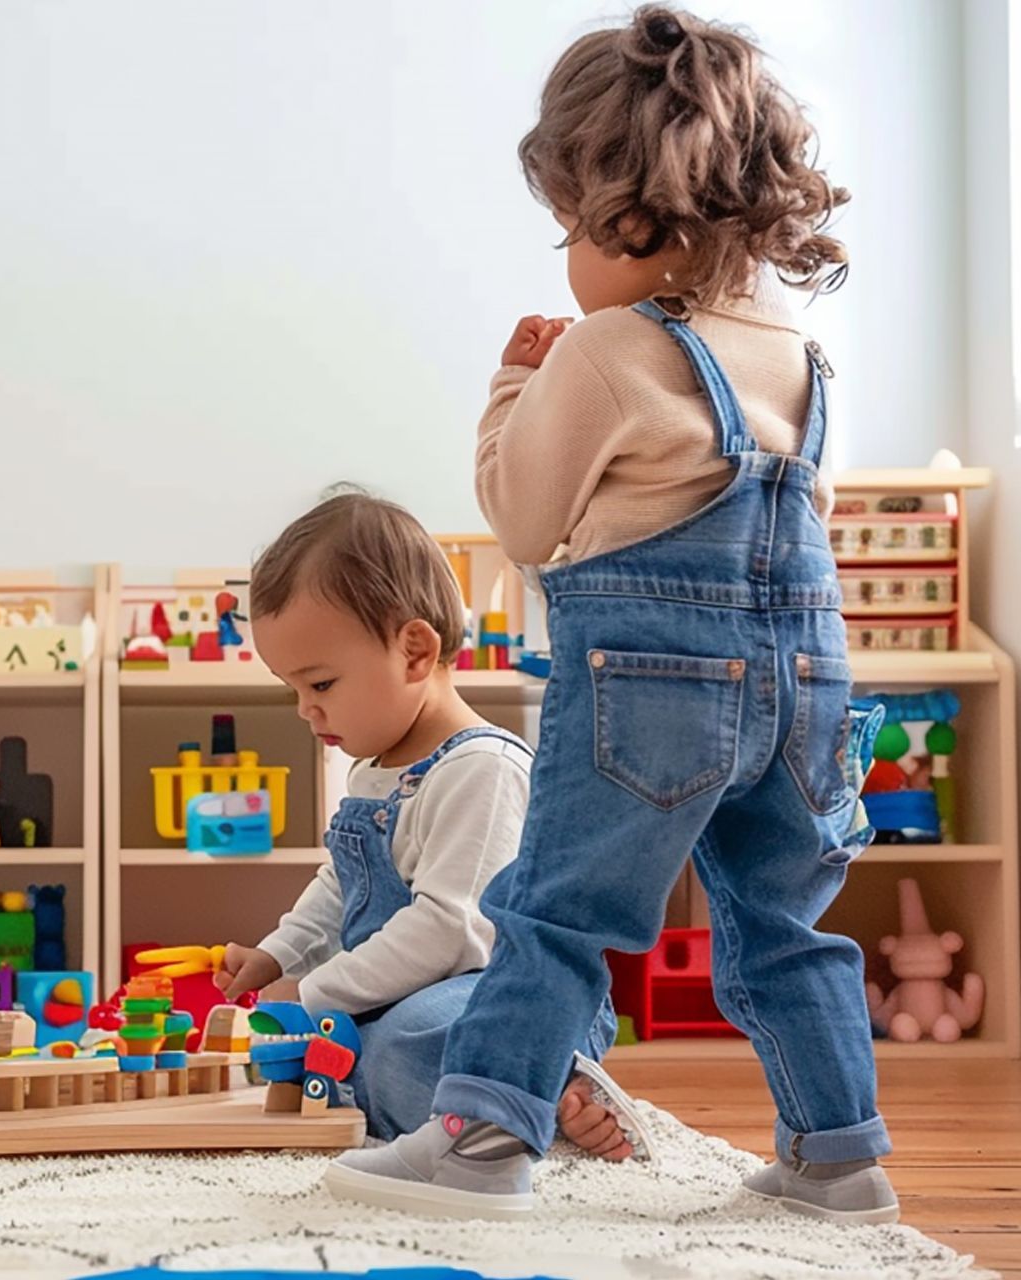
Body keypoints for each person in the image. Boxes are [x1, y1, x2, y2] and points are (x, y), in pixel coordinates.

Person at [326, 7, 895, 1224]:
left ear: (633, 216)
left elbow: (524, 521)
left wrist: (511, 390)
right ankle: (838, 1153)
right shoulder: (802, 355)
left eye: (572, 231)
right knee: (783, 921)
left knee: (556, 908)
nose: (571, 260)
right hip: (807, 688)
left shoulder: (605, 349)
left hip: (653, 687)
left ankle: (481, 1139)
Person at [222, 493, 641, 1160]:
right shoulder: (375, 773)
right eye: (293, 690)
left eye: (322, 684)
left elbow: (450, 932)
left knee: (408, 1042)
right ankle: (466, 1116)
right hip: (418, 991)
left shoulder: (482, 769)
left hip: (500, 997)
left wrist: (311, 989)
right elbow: (340, 888)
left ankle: (548, 1094)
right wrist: (279, 955)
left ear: (415, 652)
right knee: (343, 1048)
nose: (305, 710)